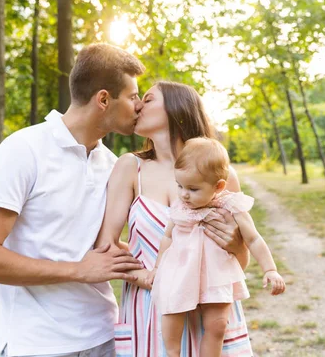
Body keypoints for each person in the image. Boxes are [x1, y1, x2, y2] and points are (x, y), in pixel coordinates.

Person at [0, 43, 147, 357]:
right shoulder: (23, 150)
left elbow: (100, 245)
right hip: (37, 344)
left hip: (105, 337)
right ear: (103, 99)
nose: (139, 105)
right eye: (132, 96)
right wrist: (78, 270)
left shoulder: (114, 165)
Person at [96, 81, 254, 356]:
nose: (137, 106)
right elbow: (106, 245)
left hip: (210, 312)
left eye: (147, 99)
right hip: (150, 309)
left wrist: (237, 247)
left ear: (175, 108)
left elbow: (241, 262)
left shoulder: (222, 177)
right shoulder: (130, 167)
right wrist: (146, 276)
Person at [149, 137, 286, 356]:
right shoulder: (181, 207)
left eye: (193, 188)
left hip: (216, 274)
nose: (184, 193)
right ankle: (172, 352)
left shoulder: (231, 206)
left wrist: (270, 269)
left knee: (218, 325)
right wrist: (157, 268)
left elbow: (254, 239)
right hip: (179, 272)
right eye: (180, 185)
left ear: (218, 186)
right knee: (171, 316)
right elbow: (167, 237)